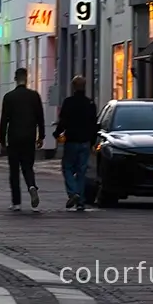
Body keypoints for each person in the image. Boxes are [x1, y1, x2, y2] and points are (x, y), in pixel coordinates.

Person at [0, 67, 45, 212]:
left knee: (14, 170)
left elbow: (4, 120)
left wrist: (2, 139)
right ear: (27, 78)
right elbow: (40, 117)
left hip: (14, 137)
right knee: (27, 166)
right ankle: (31, 186)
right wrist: (41, 136)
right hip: (29, 136)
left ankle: (16, 202)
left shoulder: (9, 97)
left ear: (15, 79)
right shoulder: (34, 96)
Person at [53, 74, 98, 211]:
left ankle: (73, 193)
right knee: (81, 170)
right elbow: (94, 125)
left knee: (67, 167)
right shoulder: (90, 103)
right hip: (85, 141)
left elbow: (63, 121)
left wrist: (57, 133)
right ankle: (80, 200)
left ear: (73, 87)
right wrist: (92, 141)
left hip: (72, 140)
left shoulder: (68, 102)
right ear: (84, 87)